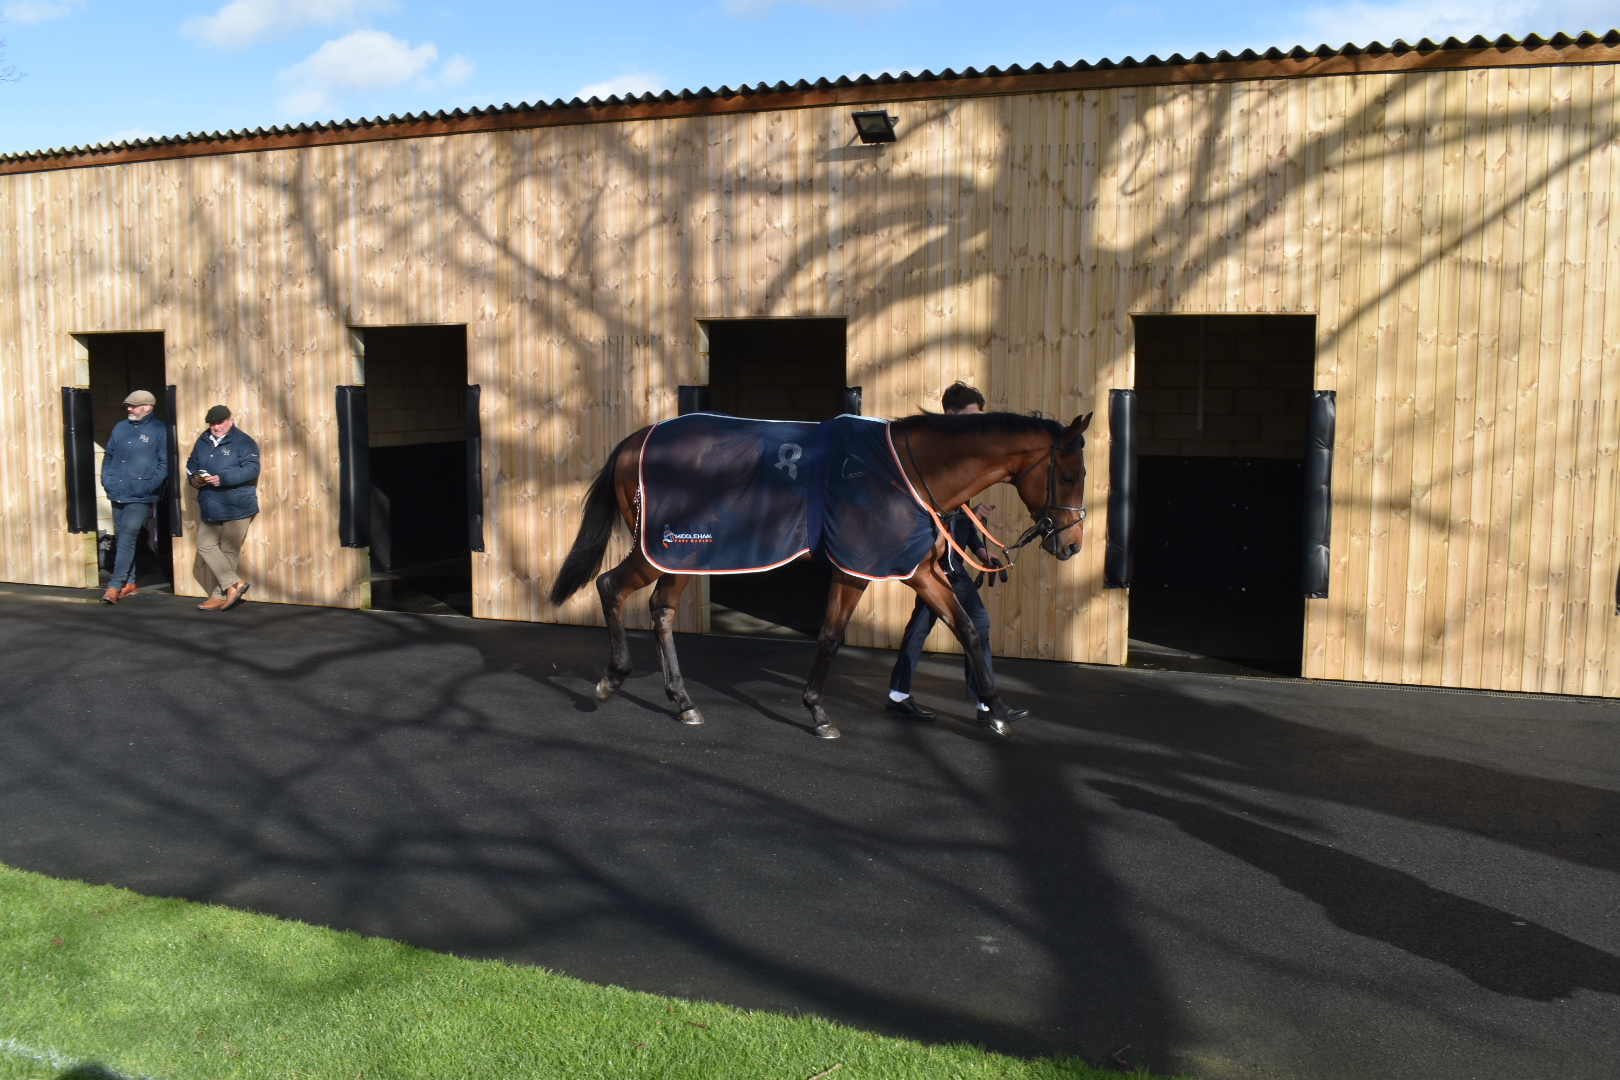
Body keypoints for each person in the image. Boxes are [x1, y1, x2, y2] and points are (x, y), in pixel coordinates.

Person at [886, 382, 1028, 723]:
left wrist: (980, 550)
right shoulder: (934, 461)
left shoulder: (959, 461)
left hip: (948, 563)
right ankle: (985, 702)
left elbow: (959, 515)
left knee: (920, 628)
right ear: (950, 416)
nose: (976, 426)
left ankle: (898, 693)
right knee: (977, 623)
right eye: (971, 418)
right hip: (936, 564)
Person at [185, 405, 260, 611]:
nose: (215, 427)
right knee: (204, 544)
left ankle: (220, 594)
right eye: (212, 424)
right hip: (211, 502)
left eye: (219, 423)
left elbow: (252, 469)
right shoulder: (203, 440)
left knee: (228, 551)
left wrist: (223, 478)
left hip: (238, 504)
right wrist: (194, 479)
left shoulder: (244, 442)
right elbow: (191, 463)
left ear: (231, 420)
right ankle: (234, 585)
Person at [99, 390, 169, 604]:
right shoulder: (121, 427)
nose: (129, 409)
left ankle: (115, 584)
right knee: (121, 538)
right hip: (117, 490)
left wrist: (148, 486)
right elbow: (109, 455)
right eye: (128, 406)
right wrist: (106, 478)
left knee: (127, 537)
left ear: (148, 407)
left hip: (141, 495)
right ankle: (129, 583)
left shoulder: (160, 430)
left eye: (134, 406)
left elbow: (164, 464)